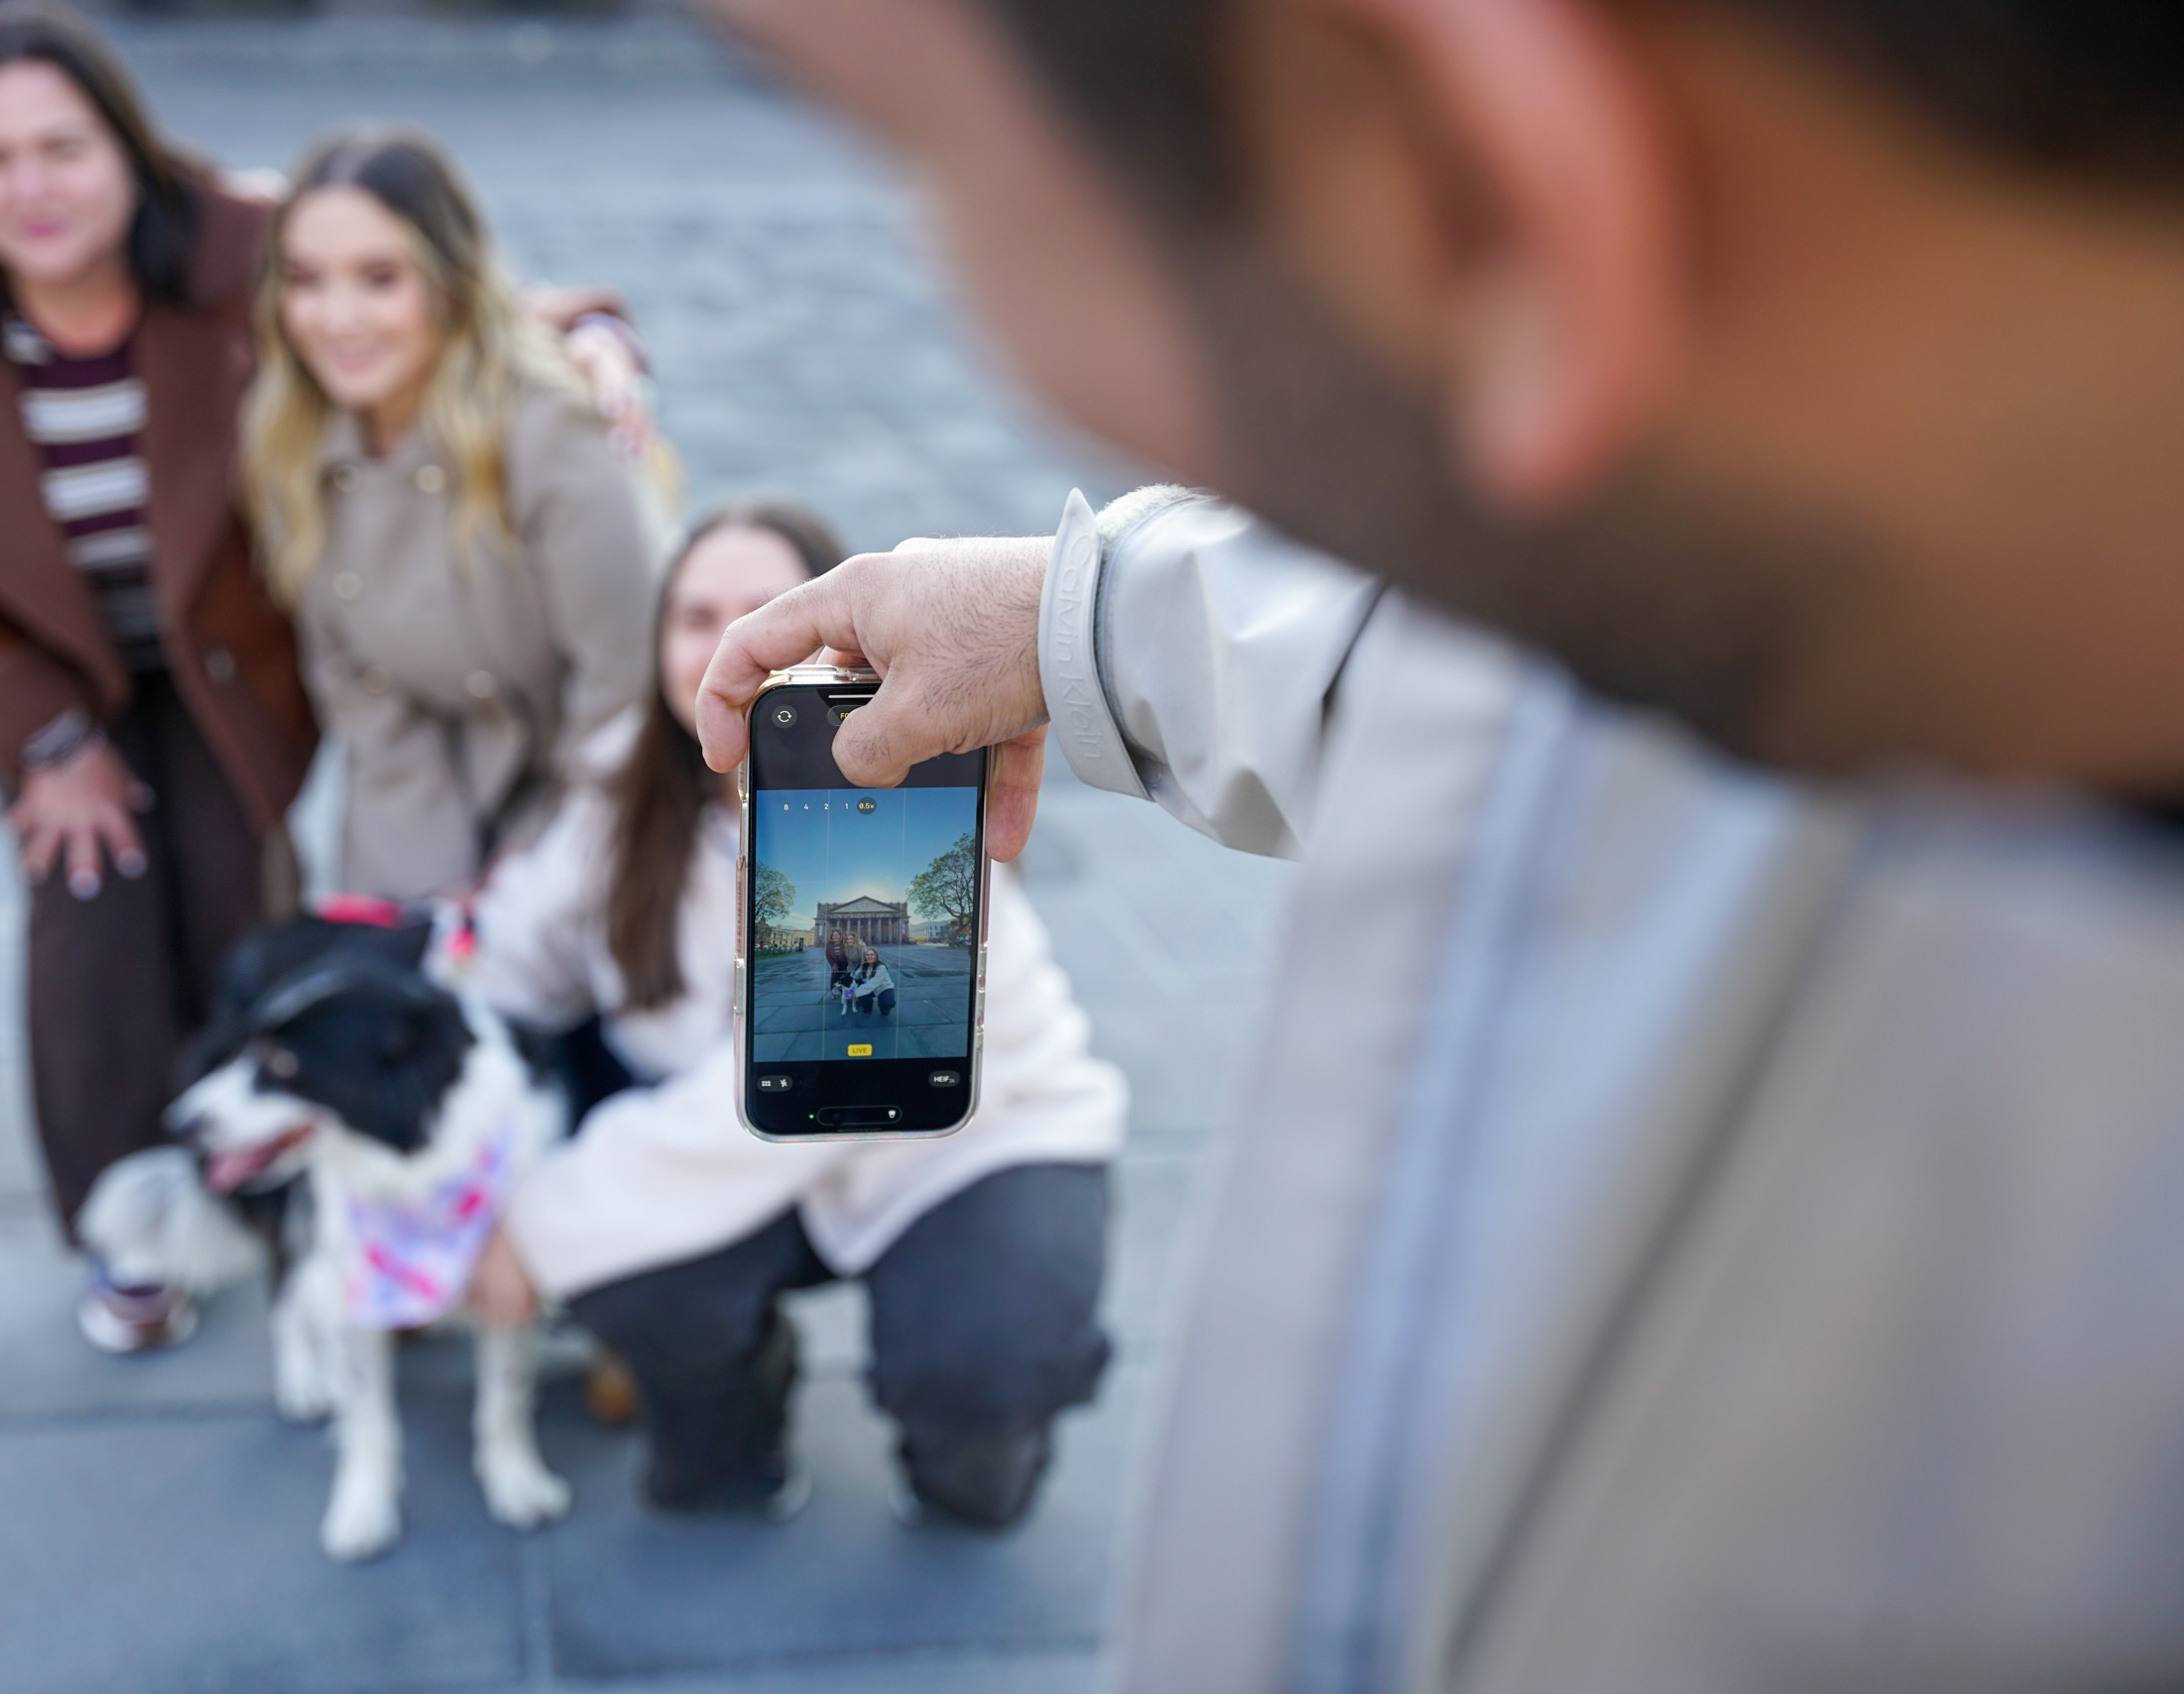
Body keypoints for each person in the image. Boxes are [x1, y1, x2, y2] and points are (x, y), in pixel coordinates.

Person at [696, 1, 2184, 1690]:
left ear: (1464, 192)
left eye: (906, 151)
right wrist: (1079, 623)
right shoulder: (1734, 548)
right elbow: (1520, 658)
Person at [0, 0, 662, 1355]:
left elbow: (428, 273)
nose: (33, 188)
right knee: (91, 898)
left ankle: (321, 1191)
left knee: (249, 909)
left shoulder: (235, 241)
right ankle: (130, 1223)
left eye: (65, 146)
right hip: (58, 674)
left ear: (130, 151)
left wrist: (596, 337)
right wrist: (40, 737)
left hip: (227, 653)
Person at [461, 501, 1125, 1527]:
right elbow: (501, 968)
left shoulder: (915, 785)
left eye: (761, 608)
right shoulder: (614, 802)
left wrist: (537, 1222)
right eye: (694, 615)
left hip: (964, 1137)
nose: (725, 639)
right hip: (742, 1134)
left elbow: (842, 1068)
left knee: (983, 1376)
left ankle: (978, 1452)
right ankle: (736, 1420)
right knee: (640, 1286)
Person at [241, 129, 661, 902]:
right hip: (421, 819)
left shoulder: (548, 432)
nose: (337, 318)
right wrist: (431, 917)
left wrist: (528, 882)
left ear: (449, 282)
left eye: (379, 278)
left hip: (596, 814)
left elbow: (622, 689)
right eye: (305, 279)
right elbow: (366, 707)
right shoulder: (287, 444)